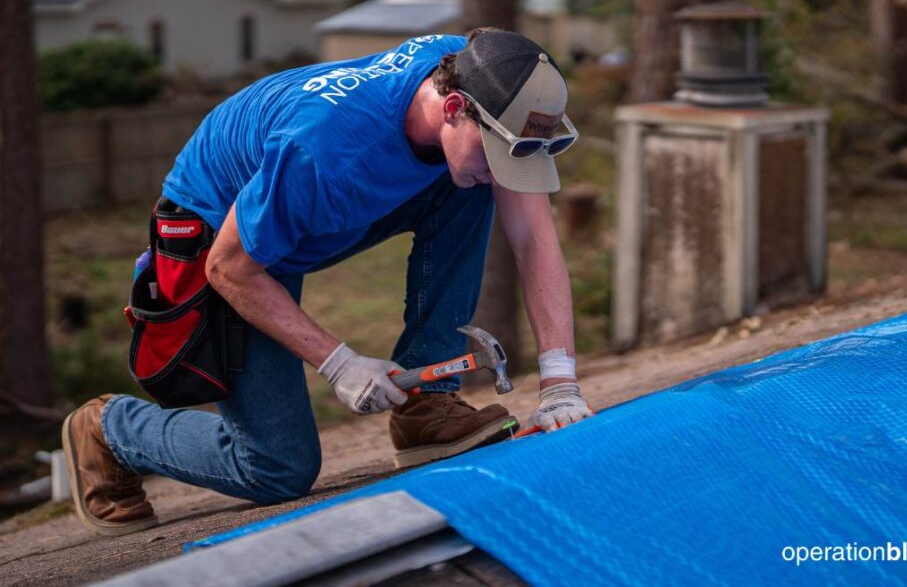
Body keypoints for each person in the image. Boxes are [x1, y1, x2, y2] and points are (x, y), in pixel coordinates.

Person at [60, 29, 594, 536]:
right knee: (276, 468)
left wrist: (559, 380)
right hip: (221, 237)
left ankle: (426, 402)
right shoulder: (322, 148)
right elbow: (228, 269)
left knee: (472, 181)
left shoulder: (486, 74)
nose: (502, 170)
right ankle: (109, 431)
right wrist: (339, 362)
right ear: (453, 109)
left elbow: (533, 239)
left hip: (308, 202)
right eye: (496, 151)